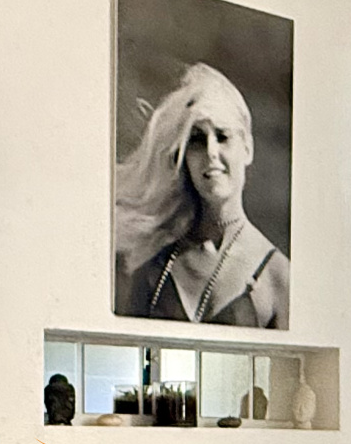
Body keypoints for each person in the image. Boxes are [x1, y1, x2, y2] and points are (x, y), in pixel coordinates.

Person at [113, 63, 289, 328]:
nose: (210, 152)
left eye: (222, 136)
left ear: (247, 149)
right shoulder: (154, 267)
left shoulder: (278, 276)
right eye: (196, 139)